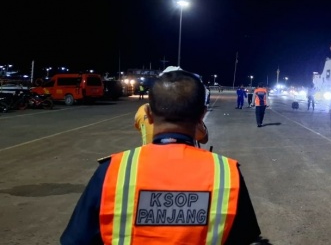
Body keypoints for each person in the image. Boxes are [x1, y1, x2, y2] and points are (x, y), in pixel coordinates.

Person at [61, 69, 261, 244]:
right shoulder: (226, 174)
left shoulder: (113, 171)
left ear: (148, 113)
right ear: (202, 115)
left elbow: (77, 239)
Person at [134, 102, 208, 146]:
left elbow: (138, 126)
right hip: (182, 159)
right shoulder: (187, 110)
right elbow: (203, 139)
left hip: (147, 158)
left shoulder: (142, 110)